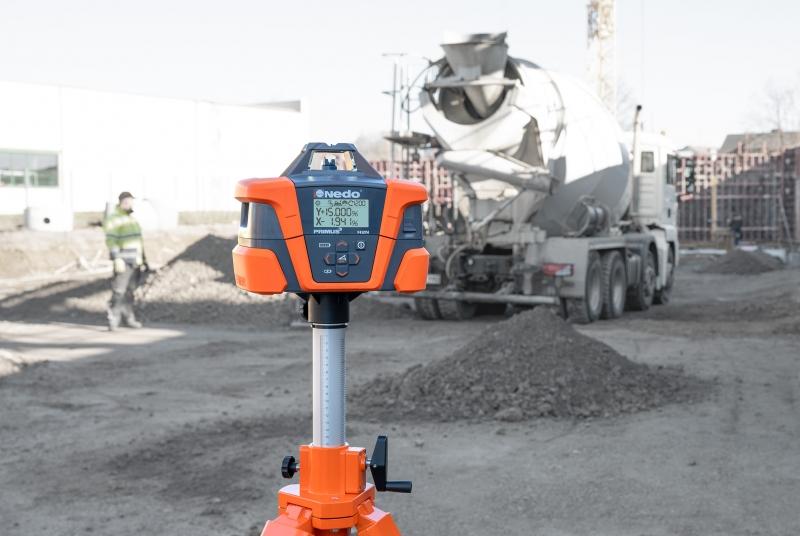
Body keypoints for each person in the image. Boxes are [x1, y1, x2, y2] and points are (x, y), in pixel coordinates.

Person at [103, 191, 147, 330]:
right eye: (127, 202)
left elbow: (138, 241)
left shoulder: (131, 219)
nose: (130, 205)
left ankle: (129, 317)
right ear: (121, 202)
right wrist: (117, 258)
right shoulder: (114, 219)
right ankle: (113, 318)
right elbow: (111, 240)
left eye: (131, 202)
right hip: (123, 260)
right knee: (119, 290)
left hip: (134, 260)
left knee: (130, 291)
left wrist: (143, 259)